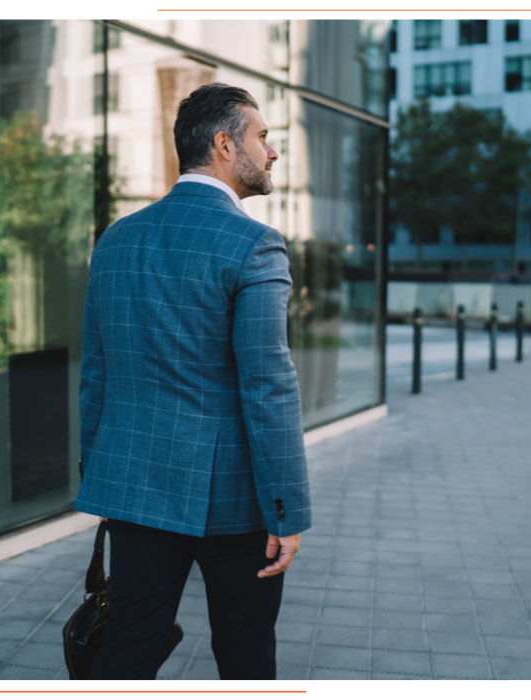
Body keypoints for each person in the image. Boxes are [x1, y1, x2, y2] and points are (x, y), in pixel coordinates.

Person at [74, 82, 311, 682]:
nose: (272, 152)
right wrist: (286, 509)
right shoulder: (255, 244)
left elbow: (96, 371)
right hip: (232, 498)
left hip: (133, 486)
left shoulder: (117, 239)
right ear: (225, 145)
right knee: (244, 651)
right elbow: (268, 386)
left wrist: (100, 474)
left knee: (128, 646)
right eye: (263, 138)